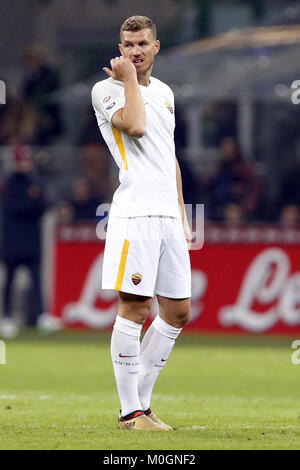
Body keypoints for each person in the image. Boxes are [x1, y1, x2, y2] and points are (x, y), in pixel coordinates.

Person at [91, 16, 192, 431]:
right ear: (120, 47)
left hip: (168, 215)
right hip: (135, 214)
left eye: (142, 44)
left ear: (156, 47)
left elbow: (169, 157)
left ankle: (143, 404)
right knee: (135, 308)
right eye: (128, 44)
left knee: (178, 312)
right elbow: (134, 125)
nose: (134, 51)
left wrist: (183, 215)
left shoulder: (166, 92)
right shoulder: (106, 90)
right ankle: (130, 412)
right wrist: (129, 80)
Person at [0, 145, 46, 337]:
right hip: (12, 241)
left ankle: (39, 317)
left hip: (31, 241)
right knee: (9, 281)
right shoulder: (8, 183)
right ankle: (7, 317)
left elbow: (42, 206)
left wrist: (28, 202)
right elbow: (12, 208)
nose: (25, 164)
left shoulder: (34, 182)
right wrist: (29, 200)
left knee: (36, 281)